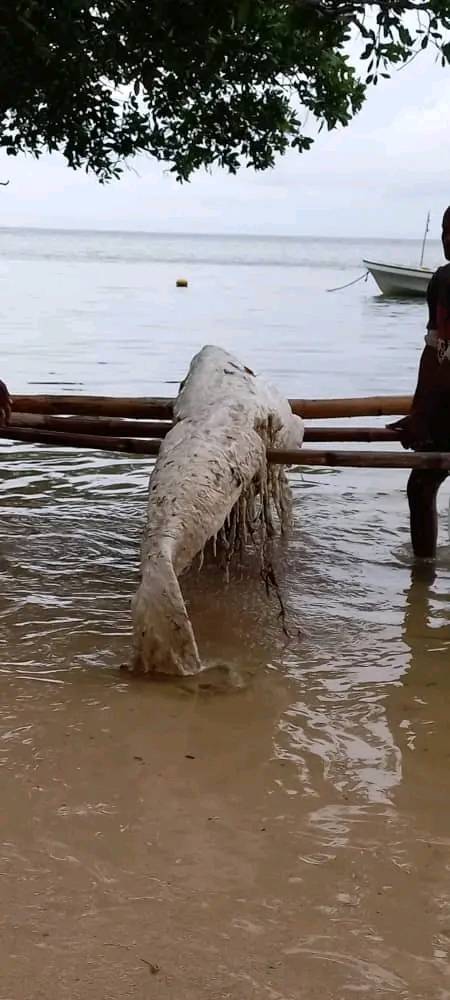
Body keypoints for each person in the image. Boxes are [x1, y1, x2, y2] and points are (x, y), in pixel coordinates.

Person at [389, 206, 450, 558]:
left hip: (447, 405)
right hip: (445, 405)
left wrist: (423, 413)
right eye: (445, 230)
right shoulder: (441, 281)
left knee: (423, 484)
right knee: (422, 485)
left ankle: (423, 578)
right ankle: (423, 577)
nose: (446, 239)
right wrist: (418, 412)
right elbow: (433, 352)